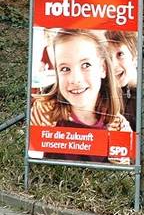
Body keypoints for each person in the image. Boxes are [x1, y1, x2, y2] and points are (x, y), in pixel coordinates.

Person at [30, 28, 132, 164]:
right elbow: (33, 160)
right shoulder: (44, 111)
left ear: (103, 69)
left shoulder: (119, 127)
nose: (75, 79)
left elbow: (119, 177)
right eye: (65, 69)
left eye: (86, 65)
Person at [105, 30, 138, 131]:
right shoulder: (103, 91)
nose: (113, 65)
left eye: (120, 54)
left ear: (134, 56)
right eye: (108, 58)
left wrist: (128, 134)